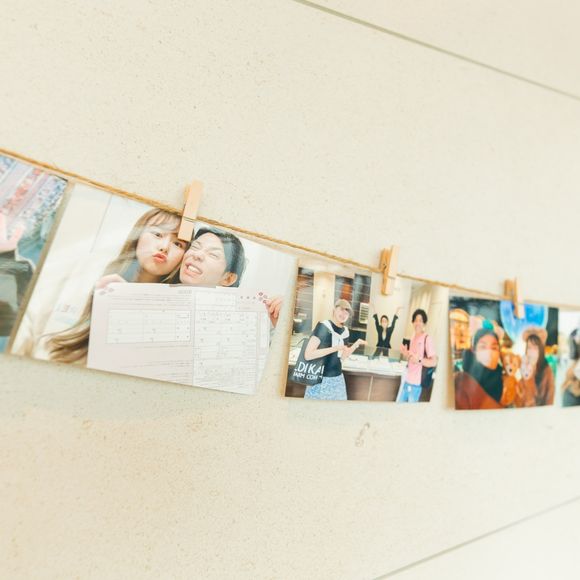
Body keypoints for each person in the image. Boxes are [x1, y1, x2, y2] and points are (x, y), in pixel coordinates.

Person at [47, 208, 186, 363]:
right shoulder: (88, 271)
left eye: (178, 244)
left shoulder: (171, 313)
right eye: (158, 234)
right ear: (138, 235)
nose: (164, 247)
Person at [174, 226, 282, 326]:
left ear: (228, 278)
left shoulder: (240, 323)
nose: (197, 254)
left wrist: (281, 319)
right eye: (195, 247)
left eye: (213, 254)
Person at [301, 299, 366, 400]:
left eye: (347, 312)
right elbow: (308, 354)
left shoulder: (345, 332)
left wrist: (356, 344)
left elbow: (342, 357)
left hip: (337, 379)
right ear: (334, 309)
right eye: (341, 309)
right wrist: (335, 348)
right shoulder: (323, 326)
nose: (344, 314)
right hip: (319, 380)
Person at [454, 324, 504, 410]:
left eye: (494, 347)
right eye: (483, 347)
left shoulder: (502, 380)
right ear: (474, 351)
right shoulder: (462, 381)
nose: (489, 352)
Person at [398, 308, 437, 403]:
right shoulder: (413, 336)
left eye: (420, 320)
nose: (417, 323)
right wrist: (406, 353)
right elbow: (412, 358)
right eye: (415, 320)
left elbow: (434, 362)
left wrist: (419, 360)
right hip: (406, 380)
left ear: (424, 323)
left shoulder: (427, 339)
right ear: (413, 322)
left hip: (416, 384)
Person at [523, 332, 555, 406]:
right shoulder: (523, 367)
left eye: (535, 348)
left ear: (540, 350)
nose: (531, 352)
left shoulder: (547, 370)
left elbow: (550, 398)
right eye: (529, 348)